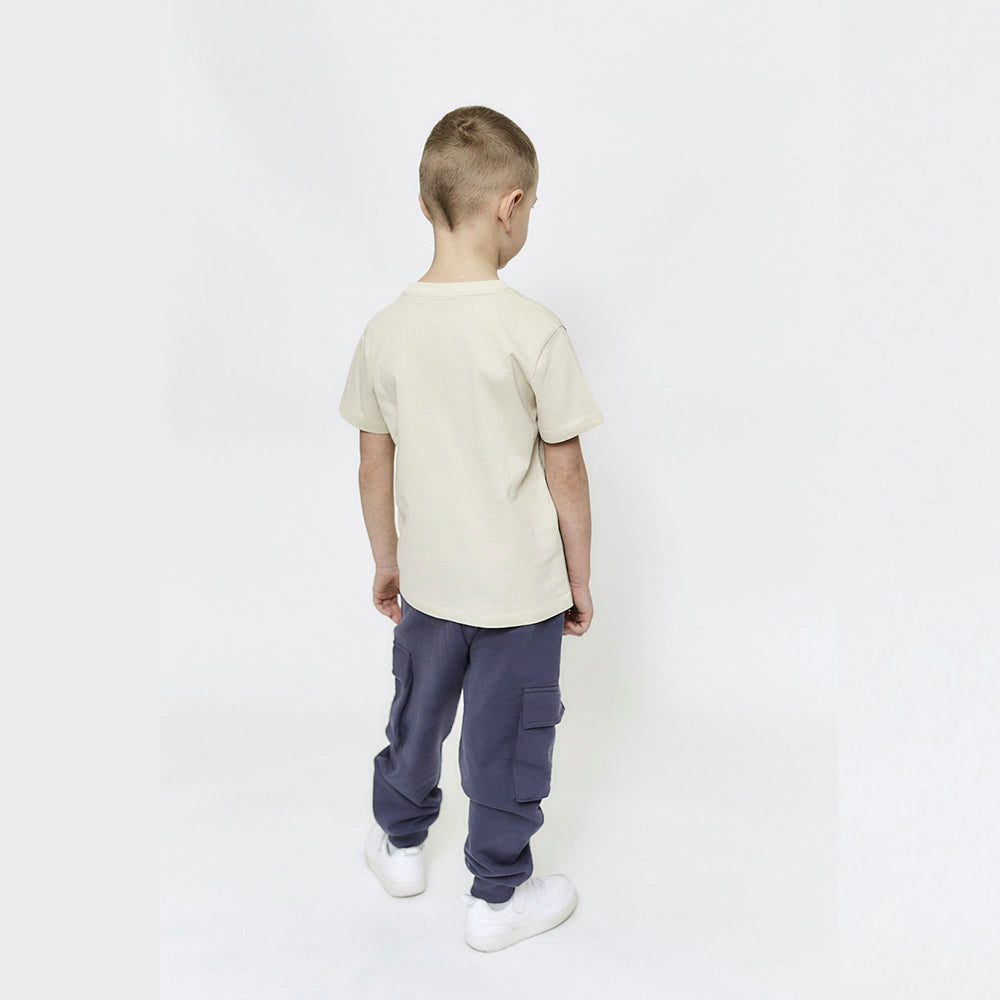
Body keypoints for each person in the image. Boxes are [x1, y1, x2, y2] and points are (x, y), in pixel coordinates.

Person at [338, 105, 604, 952]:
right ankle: (498, 896)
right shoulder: (533, 330)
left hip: (430, 582)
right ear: (510, 206)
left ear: (426, 205)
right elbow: (566, 470)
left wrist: (387, 561)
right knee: (507, 740)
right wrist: (578, 577)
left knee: (416, 718)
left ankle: (400, 846)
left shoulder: (386, 330)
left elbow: (372, 465)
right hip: (521, 594)